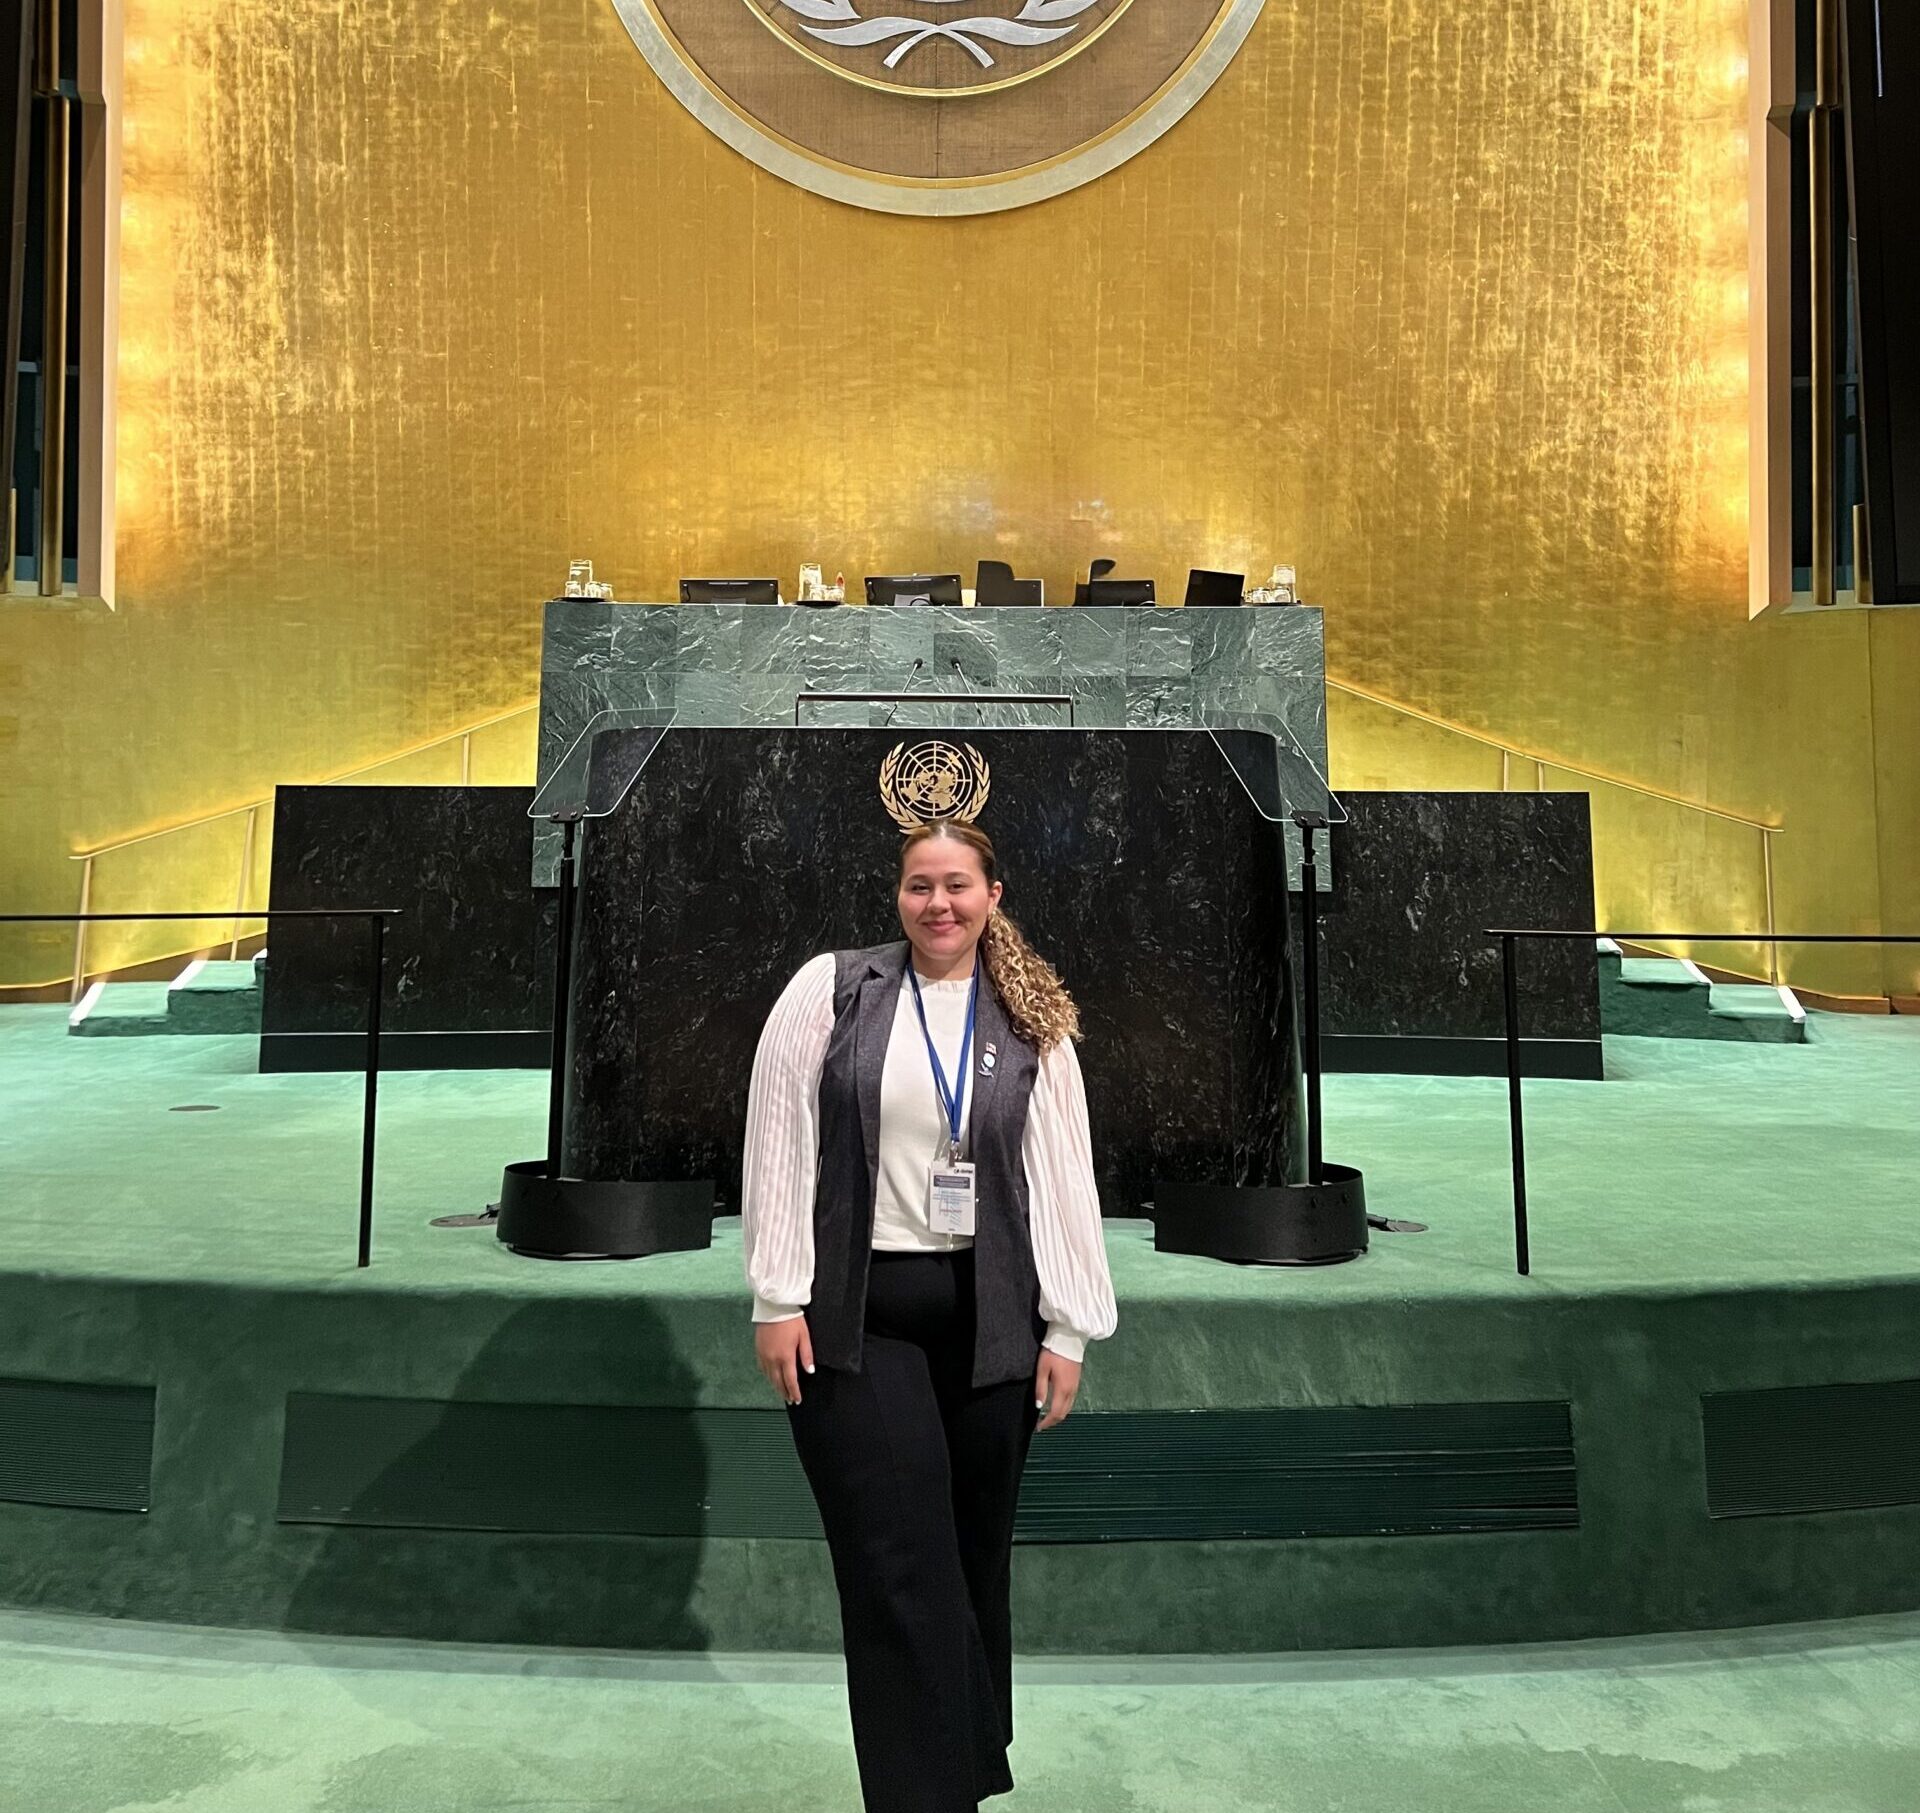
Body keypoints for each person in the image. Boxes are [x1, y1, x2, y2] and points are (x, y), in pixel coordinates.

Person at [741, 817, 1118, 1813]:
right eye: (919, 886)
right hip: (857, 1320)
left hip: (993, 1325)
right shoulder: (832, 990)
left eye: (957, 885)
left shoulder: (1032, 1016)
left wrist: (1069, 1327)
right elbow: (776, 1140)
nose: (938, 904)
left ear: (993, 892)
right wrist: (778, 1294)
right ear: (897, 895)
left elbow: (1063, 1181)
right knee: (897, 1565)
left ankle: (964, 1763)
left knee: (969, 1563)